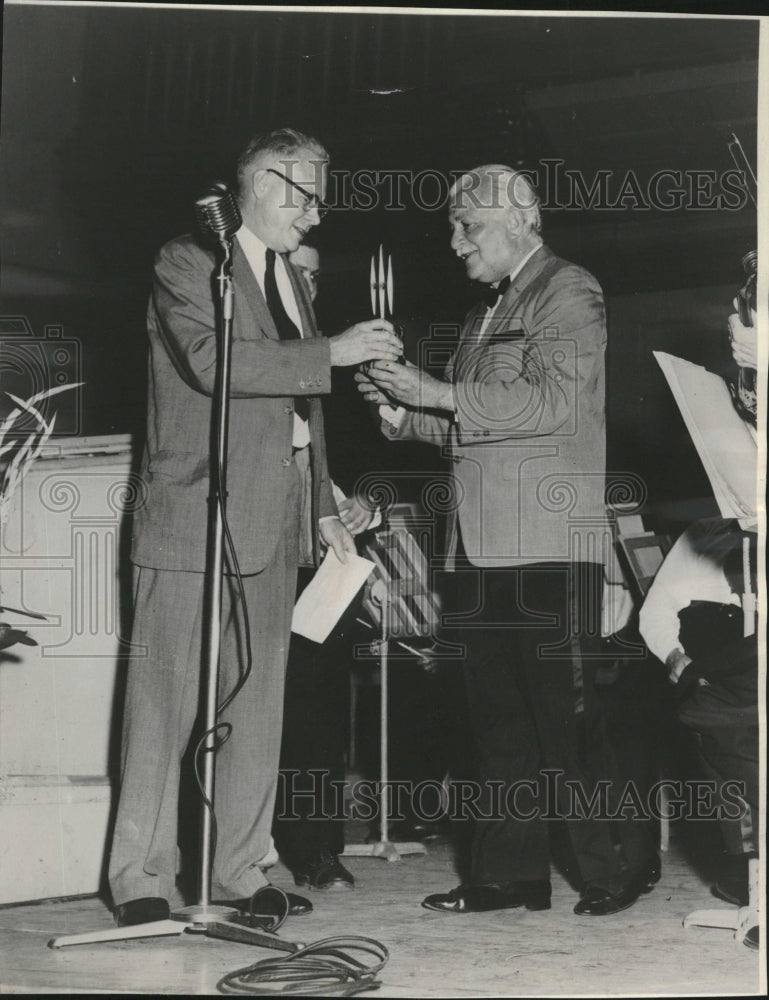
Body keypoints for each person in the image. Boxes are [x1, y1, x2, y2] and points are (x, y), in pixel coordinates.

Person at [108, 128, 402, 927]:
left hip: (273, 523)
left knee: (258, 705)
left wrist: (319, 512)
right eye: (305, 196)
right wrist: (331, 352)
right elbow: (214, 364)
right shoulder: (188, 262)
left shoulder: (289, 282)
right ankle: (139, 876)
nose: (314, 216)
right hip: (190, 514)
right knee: (162, 704)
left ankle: (243, 865)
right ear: (262, 182)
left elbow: (302, 415)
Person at [357, 164, 658, 916]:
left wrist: (434, 392)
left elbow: (552, 401)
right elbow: (467, 426)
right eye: (453, 228)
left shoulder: (567, 290)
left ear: (520, 218)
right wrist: (400, 412)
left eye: (469, 226)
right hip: (476, 545)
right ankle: (505, 875)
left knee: (568, 719)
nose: (456, 242)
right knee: (495, 725)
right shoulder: (479, 315)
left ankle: (615, 867)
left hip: (548, 541)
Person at [270, 242, 375, 891]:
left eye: (313, 274)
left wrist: (368, 502)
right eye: (293, 271)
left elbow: (373, 465)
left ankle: (313, 847)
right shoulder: (238, 342)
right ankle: (239, 846)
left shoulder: (335, 357)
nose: (306, 286)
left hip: (321, 561)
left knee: (316, 707)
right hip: (247, 546)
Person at [638, 516, 758, 948]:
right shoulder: (702, 534)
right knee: (735, 742)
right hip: (710, 676)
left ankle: (754, 886)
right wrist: (676, 659)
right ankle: (756, 887)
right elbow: (655, 611)